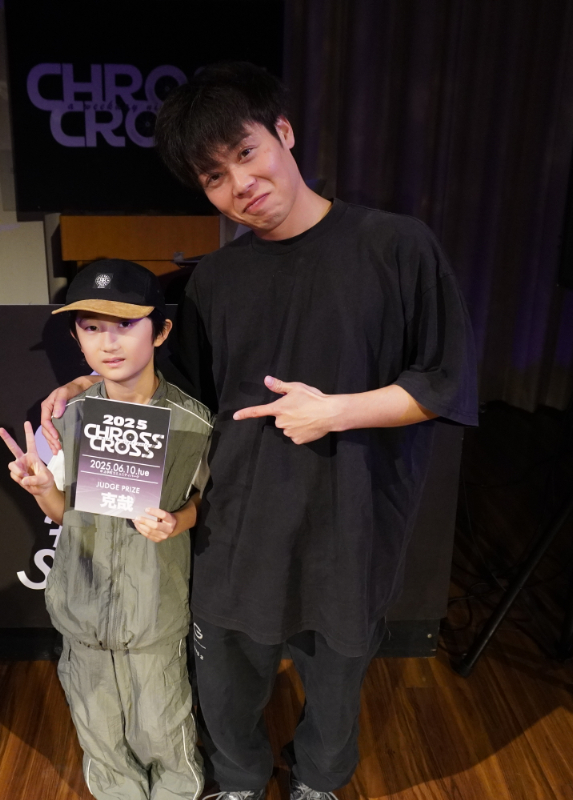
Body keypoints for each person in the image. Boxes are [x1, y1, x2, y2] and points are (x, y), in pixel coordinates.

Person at [41, 63, 478, 800]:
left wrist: (335, 410)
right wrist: (90, 383)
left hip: (350, 510)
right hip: (238, 514)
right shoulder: (215, 279)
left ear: (284, 133)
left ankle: (318, 781)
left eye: (246, 153)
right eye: (214, 177)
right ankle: (240, 779)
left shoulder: (395, 246)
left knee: (336, 666)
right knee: (226, 665)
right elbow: (181, 388)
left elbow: (443, 381)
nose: (240, 185)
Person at [1, 258, 214, 800]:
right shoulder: (66, 416)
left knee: (163, 721)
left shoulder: (194, 423)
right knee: (98, 725)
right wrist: (40, 488)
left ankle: (177, 792)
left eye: (125, 324)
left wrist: (177, 521)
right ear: (76, 337)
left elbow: (209, 503)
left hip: (154, 609)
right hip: (83, 605)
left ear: (160, 331)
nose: (109, 342)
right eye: (92, 327)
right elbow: (63, 514)